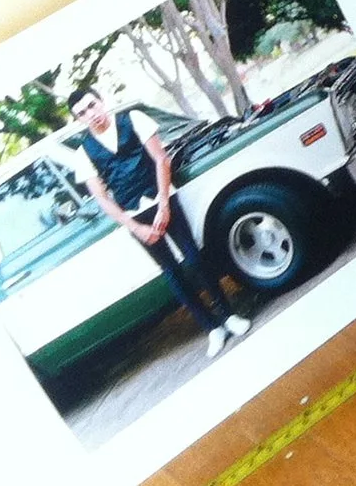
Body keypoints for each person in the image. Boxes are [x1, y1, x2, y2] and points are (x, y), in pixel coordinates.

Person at [67, 86, 250, 360]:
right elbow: (102, 199)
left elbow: (161, 159)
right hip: (134, 214)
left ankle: (228, 316)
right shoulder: (84, 153)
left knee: (194, 258)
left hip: (163, 197)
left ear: (101, 101)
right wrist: (135, 227)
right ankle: (212, 328)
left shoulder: (133, 119)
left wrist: (164, 204)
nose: (90, 114)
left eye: (92, 105)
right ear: (78, 119)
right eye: (82, 113)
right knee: (171, 272)